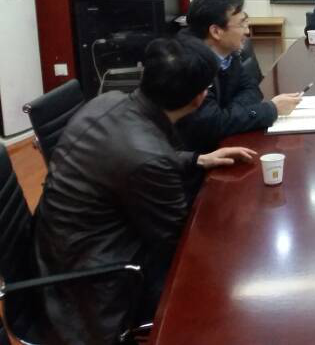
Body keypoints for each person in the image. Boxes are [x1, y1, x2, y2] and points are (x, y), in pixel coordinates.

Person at [33, 38, 257, 344]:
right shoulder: (147, 158)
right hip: (96, 283)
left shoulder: (108, 101)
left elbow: (126, 158)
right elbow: (180, 246)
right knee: (227, 288)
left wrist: (196, 159)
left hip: (62, 251)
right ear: (200, 97)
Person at [176, 0, 300, 152]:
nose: (247, 31)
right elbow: (211, 124)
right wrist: (271, 110)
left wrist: (228, 115)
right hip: (198, 155)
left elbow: (252, 89)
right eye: (241, 24)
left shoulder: (229, 52)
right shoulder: (190, 65)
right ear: (216, 31)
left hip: (223, 142)